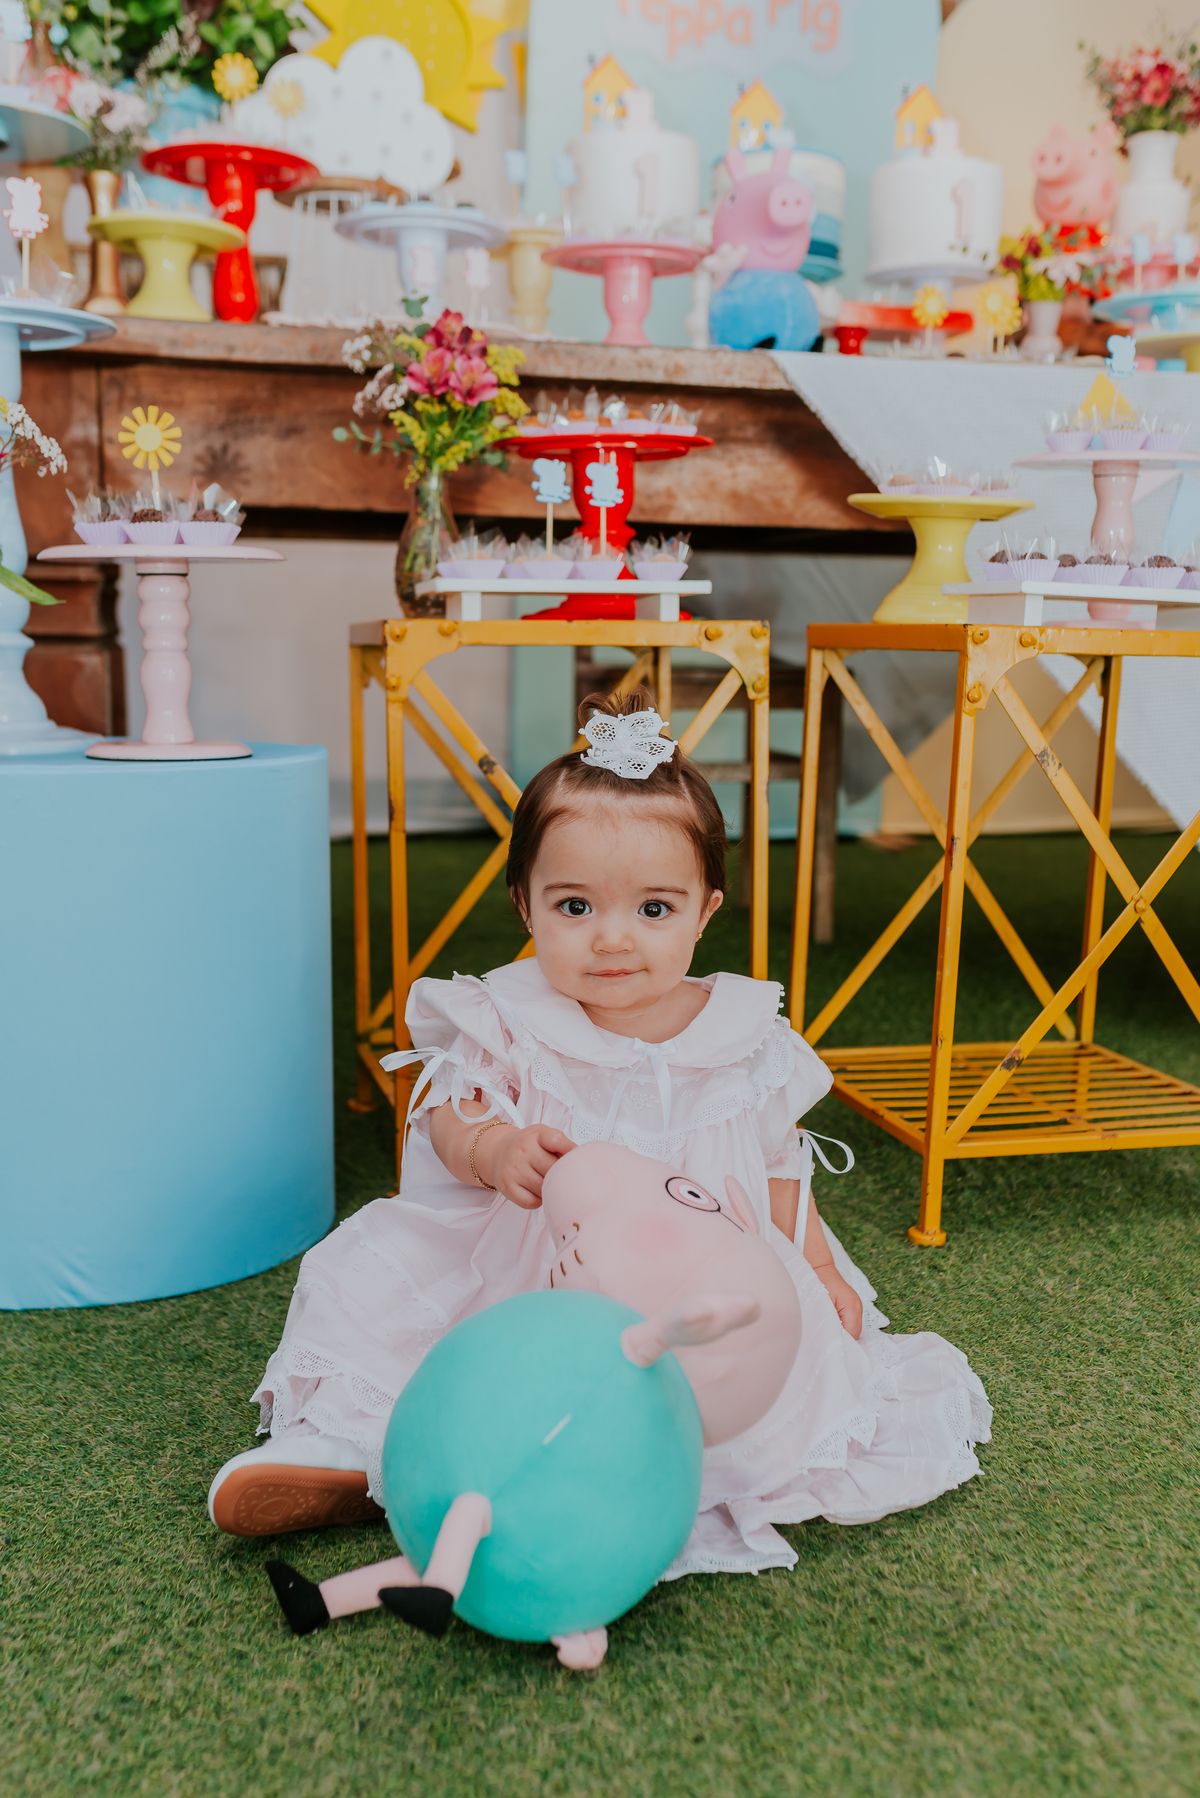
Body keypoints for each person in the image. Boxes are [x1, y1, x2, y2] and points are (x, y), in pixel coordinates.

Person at [208, 689, 991, 1577]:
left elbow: (779, 1163)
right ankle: (357, 1443)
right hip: (526, 1266)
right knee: (385, 1300)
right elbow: (446, 1108)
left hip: (694, 1276)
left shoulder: (745, 1035)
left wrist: (812, 1266)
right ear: (526, 905)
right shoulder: (509, 1017)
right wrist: (492, 1148)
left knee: (761, 1375)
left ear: (706, 909)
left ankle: (605, 1476)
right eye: (574, 907)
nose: (612, 941)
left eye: (654, 910)